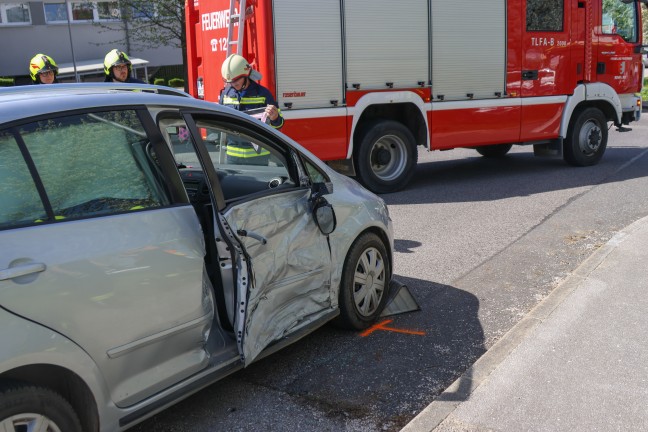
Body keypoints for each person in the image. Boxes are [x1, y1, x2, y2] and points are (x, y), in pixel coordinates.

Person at [219, 54, 284, 165]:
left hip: (258, 157)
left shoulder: (263, 94)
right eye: (229, 81)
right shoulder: (225, 95)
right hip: (233, 157)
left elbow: (279, 124)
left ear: (246, 75)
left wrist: (275, 118)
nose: (233, 84)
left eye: (235, 80)